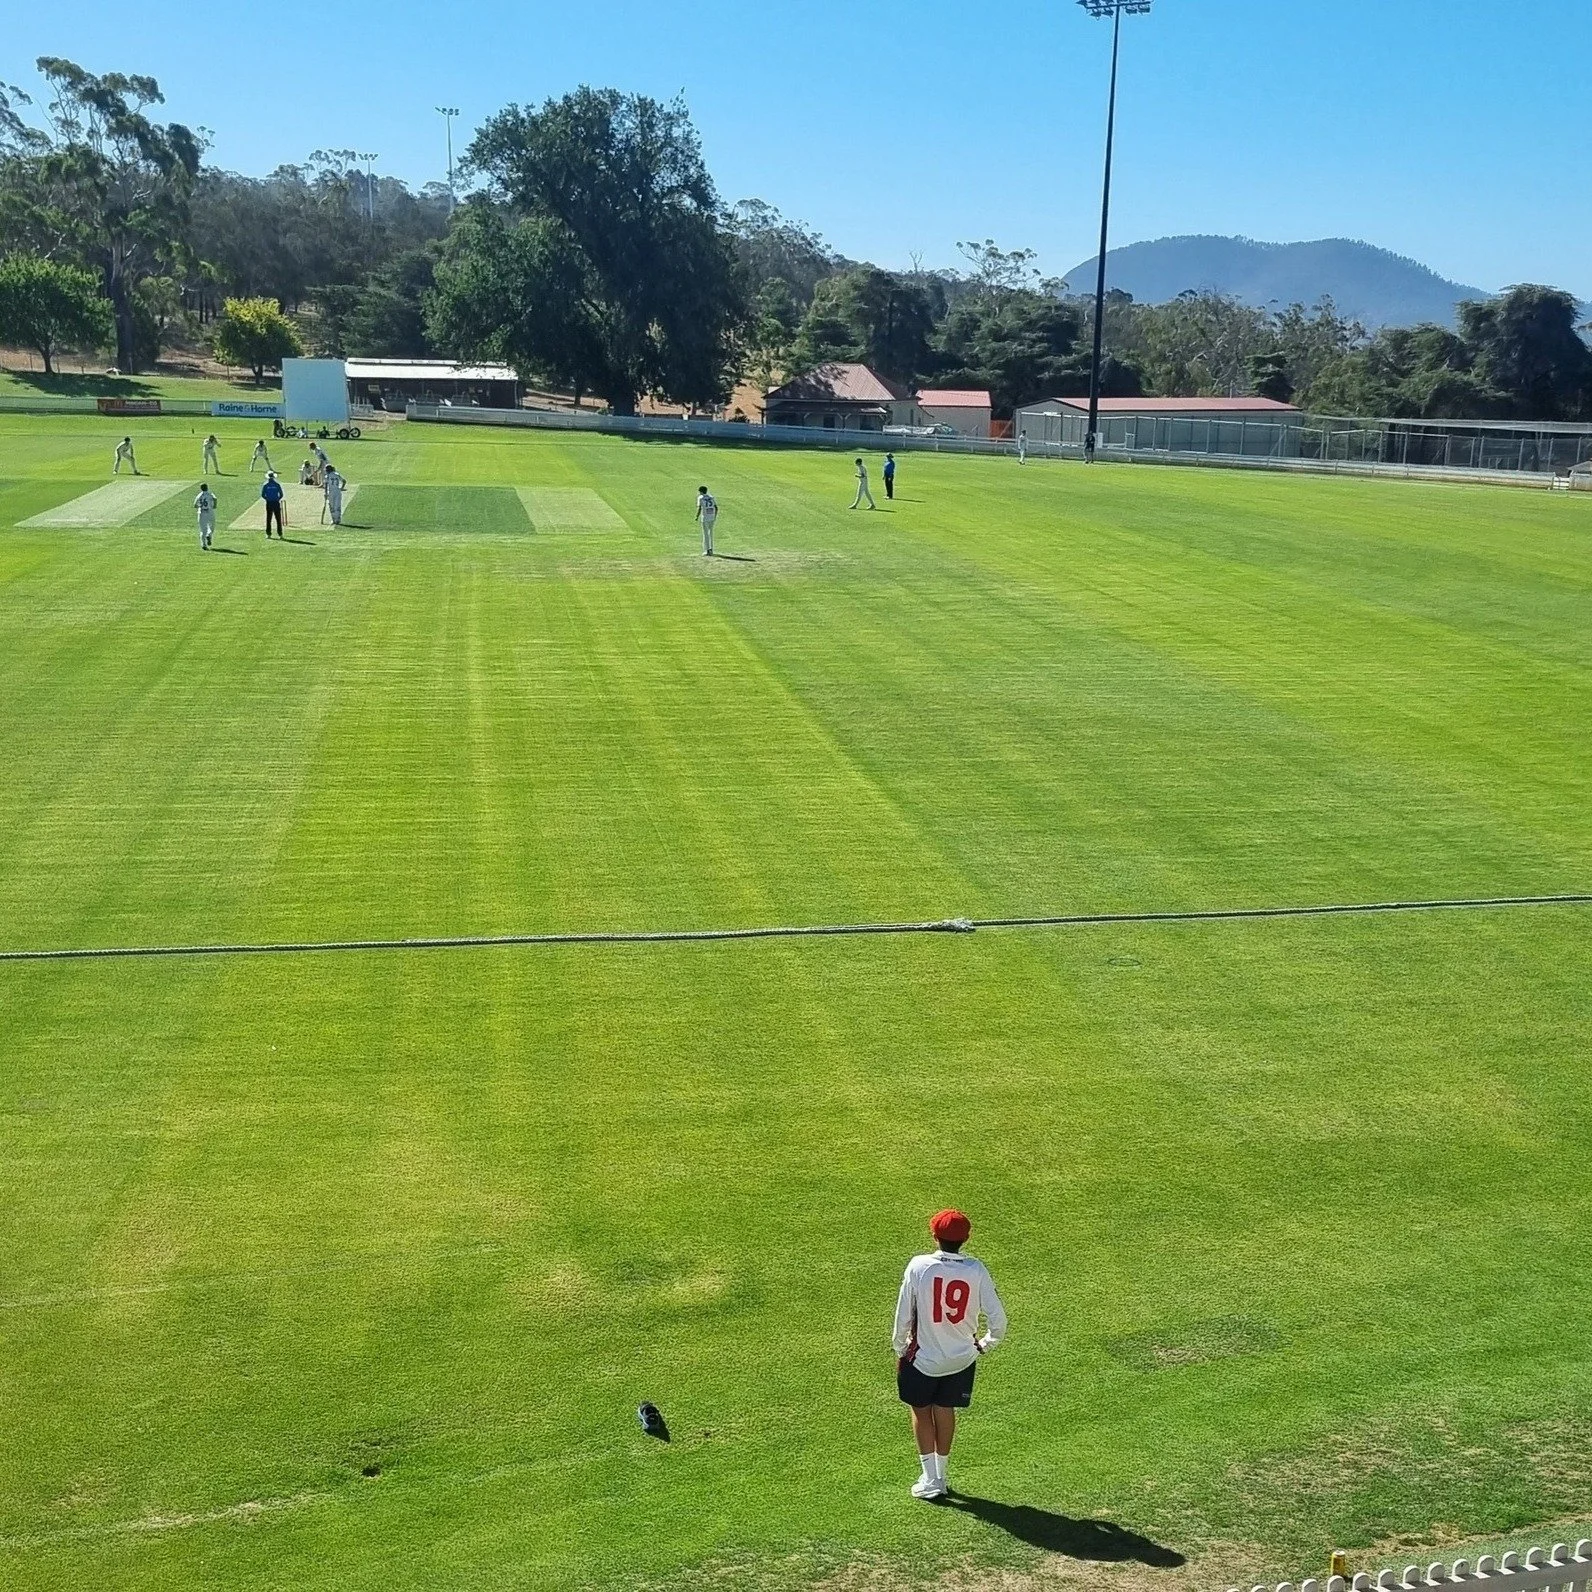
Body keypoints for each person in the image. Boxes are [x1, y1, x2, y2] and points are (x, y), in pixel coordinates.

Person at [892, 1209, 1006, 1501]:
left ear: (934, 1235)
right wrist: (985, 1344)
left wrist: (900, 1347)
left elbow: (904, 1312)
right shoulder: (976, 1268)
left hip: (923, 1358)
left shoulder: (919, 1266)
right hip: (962, 1358)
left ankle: (930, 1478)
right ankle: (941, 1474)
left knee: (920, 1411)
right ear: (966, 1239)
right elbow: (998, 1320)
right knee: (945, 1410)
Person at [261, 470, 285, 539]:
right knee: (278, 519)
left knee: (269, 519)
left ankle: (268, 534)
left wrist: (267, 499)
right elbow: (281, 494)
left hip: (269, 503)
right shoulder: (277, 485)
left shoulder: (266, 485)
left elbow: (263, 495)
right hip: (276, 503)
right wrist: (277, 499)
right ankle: (280, 534)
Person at [694, 485, 718, 556]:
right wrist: (714, 516)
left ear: (701, 491)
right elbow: (716, 507)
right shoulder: (711, 497)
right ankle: (711, 549)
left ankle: (707, 550)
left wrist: (697, 516)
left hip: (705, 518)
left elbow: (699, 508)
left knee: (705, 534)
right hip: (712, 517)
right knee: (711, 534)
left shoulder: (700, 498)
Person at [195, 482, 217, 550]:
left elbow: (195, 505)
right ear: (207, 487)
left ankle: (203, 545)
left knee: (203, 530)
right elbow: (215, 498)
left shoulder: (199, 495)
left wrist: (200, 506)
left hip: (201, 513)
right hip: (210, 512)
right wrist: (215, 505)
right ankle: (209, 535)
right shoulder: (210, 494)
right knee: (212, 527)